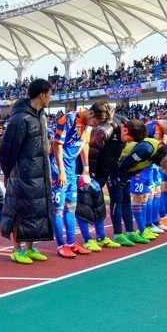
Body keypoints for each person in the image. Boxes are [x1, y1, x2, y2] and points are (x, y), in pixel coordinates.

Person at [0, 79, 54, 264]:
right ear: (42, 94)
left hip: (40, 172)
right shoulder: (20, 119)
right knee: (19, 210)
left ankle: (29, 248)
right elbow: (6, 150)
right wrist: (12, 173)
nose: (51, 98)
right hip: (22, 174)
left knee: (35, 210)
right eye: (50, 93)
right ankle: (16, 249)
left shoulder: (41, 116)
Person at [115, 120, 167, 246]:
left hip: (126, 171)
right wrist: (121, 180)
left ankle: (130, 232)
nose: (163, 169)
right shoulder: (147, 149)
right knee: (119, 200)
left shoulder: (159, 152)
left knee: (125, 200)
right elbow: (123, 165)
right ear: (165, 160)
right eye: (164, 167)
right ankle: (118, 234)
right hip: (116, 165)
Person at [50, 106, 100, 257]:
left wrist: (86, 168)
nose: (95, 125)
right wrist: (61, 172)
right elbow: (56, 145)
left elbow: (84, 144)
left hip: (71, 170)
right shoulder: (69, 119)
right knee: (57, 210)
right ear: (90, 113)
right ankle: (60, 245)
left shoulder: (88, 125)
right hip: (57, 170)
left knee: (71, 208)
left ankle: (71, 243)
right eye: (95, 122)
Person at [87, 101, 126, 249]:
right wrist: (88, 172)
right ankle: (84, 239)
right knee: (80, 206)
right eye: (97, 122)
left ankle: (100, 236)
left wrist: (99, 178)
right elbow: (91, 152)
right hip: (82, 172)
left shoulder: (113, 129)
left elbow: (108, 157)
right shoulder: (103, 131)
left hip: (95, 173)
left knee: (98, 203)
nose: (96, 124)